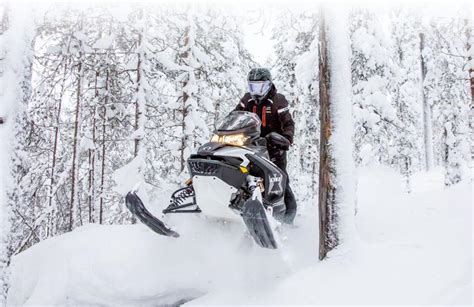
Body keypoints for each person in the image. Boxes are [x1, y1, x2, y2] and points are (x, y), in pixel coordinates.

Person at [234, 67, 297, 224]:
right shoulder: (247, 99)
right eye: (252, 86)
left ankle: (287, 218)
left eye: (259, 86)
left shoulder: (278, 100)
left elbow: (288, 123)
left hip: (274, 148)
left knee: (280, 181)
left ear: (268, 85)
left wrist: (286, 138)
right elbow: (235, 115)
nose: (255, 91)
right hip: (250, 145)